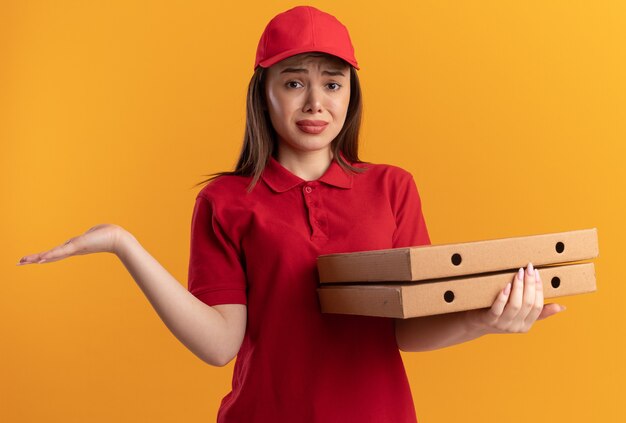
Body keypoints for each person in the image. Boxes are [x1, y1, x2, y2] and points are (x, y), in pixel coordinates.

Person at [17, 5, 566, 422]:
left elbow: (407, 327)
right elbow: (218, 345)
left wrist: (485, 319)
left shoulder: (392, 187)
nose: (315, 104)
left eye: (332, 84)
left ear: (351, 94)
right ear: (264, 94)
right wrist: (123, 244)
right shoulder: (225, 201)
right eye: (294, 83)